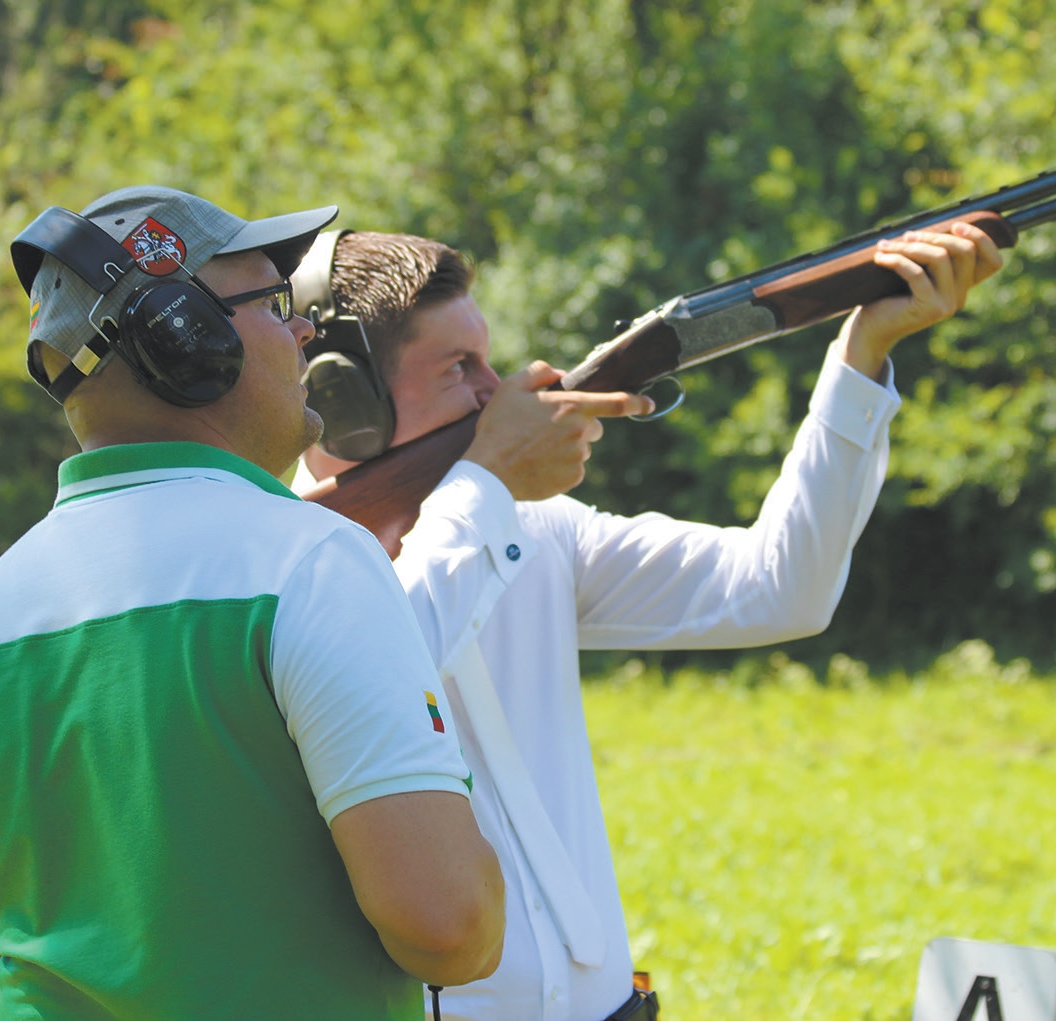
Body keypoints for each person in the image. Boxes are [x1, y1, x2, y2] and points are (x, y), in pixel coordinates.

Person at [290, 222, 1003, 1021]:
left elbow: (781, 586)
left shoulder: (534, 528)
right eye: (461, 369)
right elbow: (389, 671)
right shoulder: (286, 572)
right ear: (343, 401)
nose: (503, 388)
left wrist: (862, 354)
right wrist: (485, 485)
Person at [0, 186, 503, 1021]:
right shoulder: (312, 564)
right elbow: (449, 927)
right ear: (185, 339)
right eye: (275, 303)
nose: (304, 331)